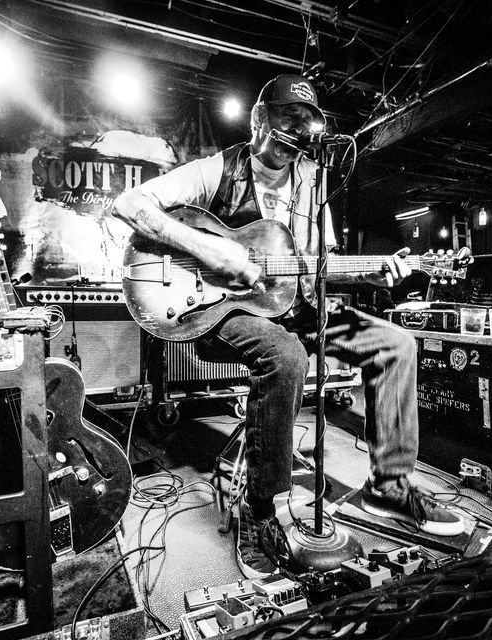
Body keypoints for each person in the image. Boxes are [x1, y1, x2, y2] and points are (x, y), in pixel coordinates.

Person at [111, 74, 463, 579]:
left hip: (293, 303)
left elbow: (320, 264)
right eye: (287, 117)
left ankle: (390, 487)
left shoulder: (315, 181)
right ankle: (262, 513)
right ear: (259, 120)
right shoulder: (220, 169)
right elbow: (130, 205)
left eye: (307, 120)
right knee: (285, 356)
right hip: (217, 309)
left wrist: (373, 271)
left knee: (395, 343)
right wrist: (209, 247)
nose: (297, 129)